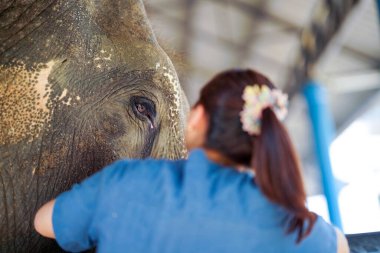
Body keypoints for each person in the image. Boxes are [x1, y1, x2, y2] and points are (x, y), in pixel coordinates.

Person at [34, 69, 349, 253]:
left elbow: (44, 222)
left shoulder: (125, 183)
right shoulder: (304, 229)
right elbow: (339, 244)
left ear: (197, 117)